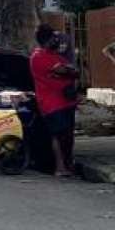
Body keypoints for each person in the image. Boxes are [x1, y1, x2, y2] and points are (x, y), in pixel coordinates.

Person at [30, 24, 80, 178]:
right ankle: (59, 167)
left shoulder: (54, 55)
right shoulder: (38, 56)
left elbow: (74, 71)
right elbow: (65, 70)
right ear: (47, 39)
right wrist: (68, 71)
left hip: (66, 101)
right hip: (51, 103)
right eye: (53, 38)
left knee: (68, 136)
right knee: (58, 135)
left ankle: (67, 165)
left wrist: (69, 71)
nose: (57, 40)